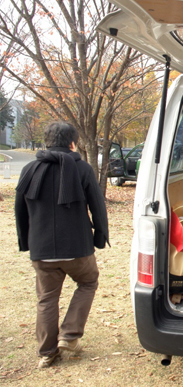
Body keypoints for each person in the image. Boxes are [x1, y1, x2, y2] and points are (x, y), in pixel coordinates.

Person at [15, 122, 109, 369]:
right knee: (88, 282)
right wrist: (100, 237)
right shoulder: (82, 169)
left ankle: (47, 353)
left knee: (46, 299)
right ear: (72, 143)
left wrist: (26, 242)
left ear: (46, 141)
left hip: (42, 250)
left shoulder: (29, 169)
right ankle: (69, 335)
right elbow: (98, 207)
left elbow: (19, 209)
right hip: (78, 248)